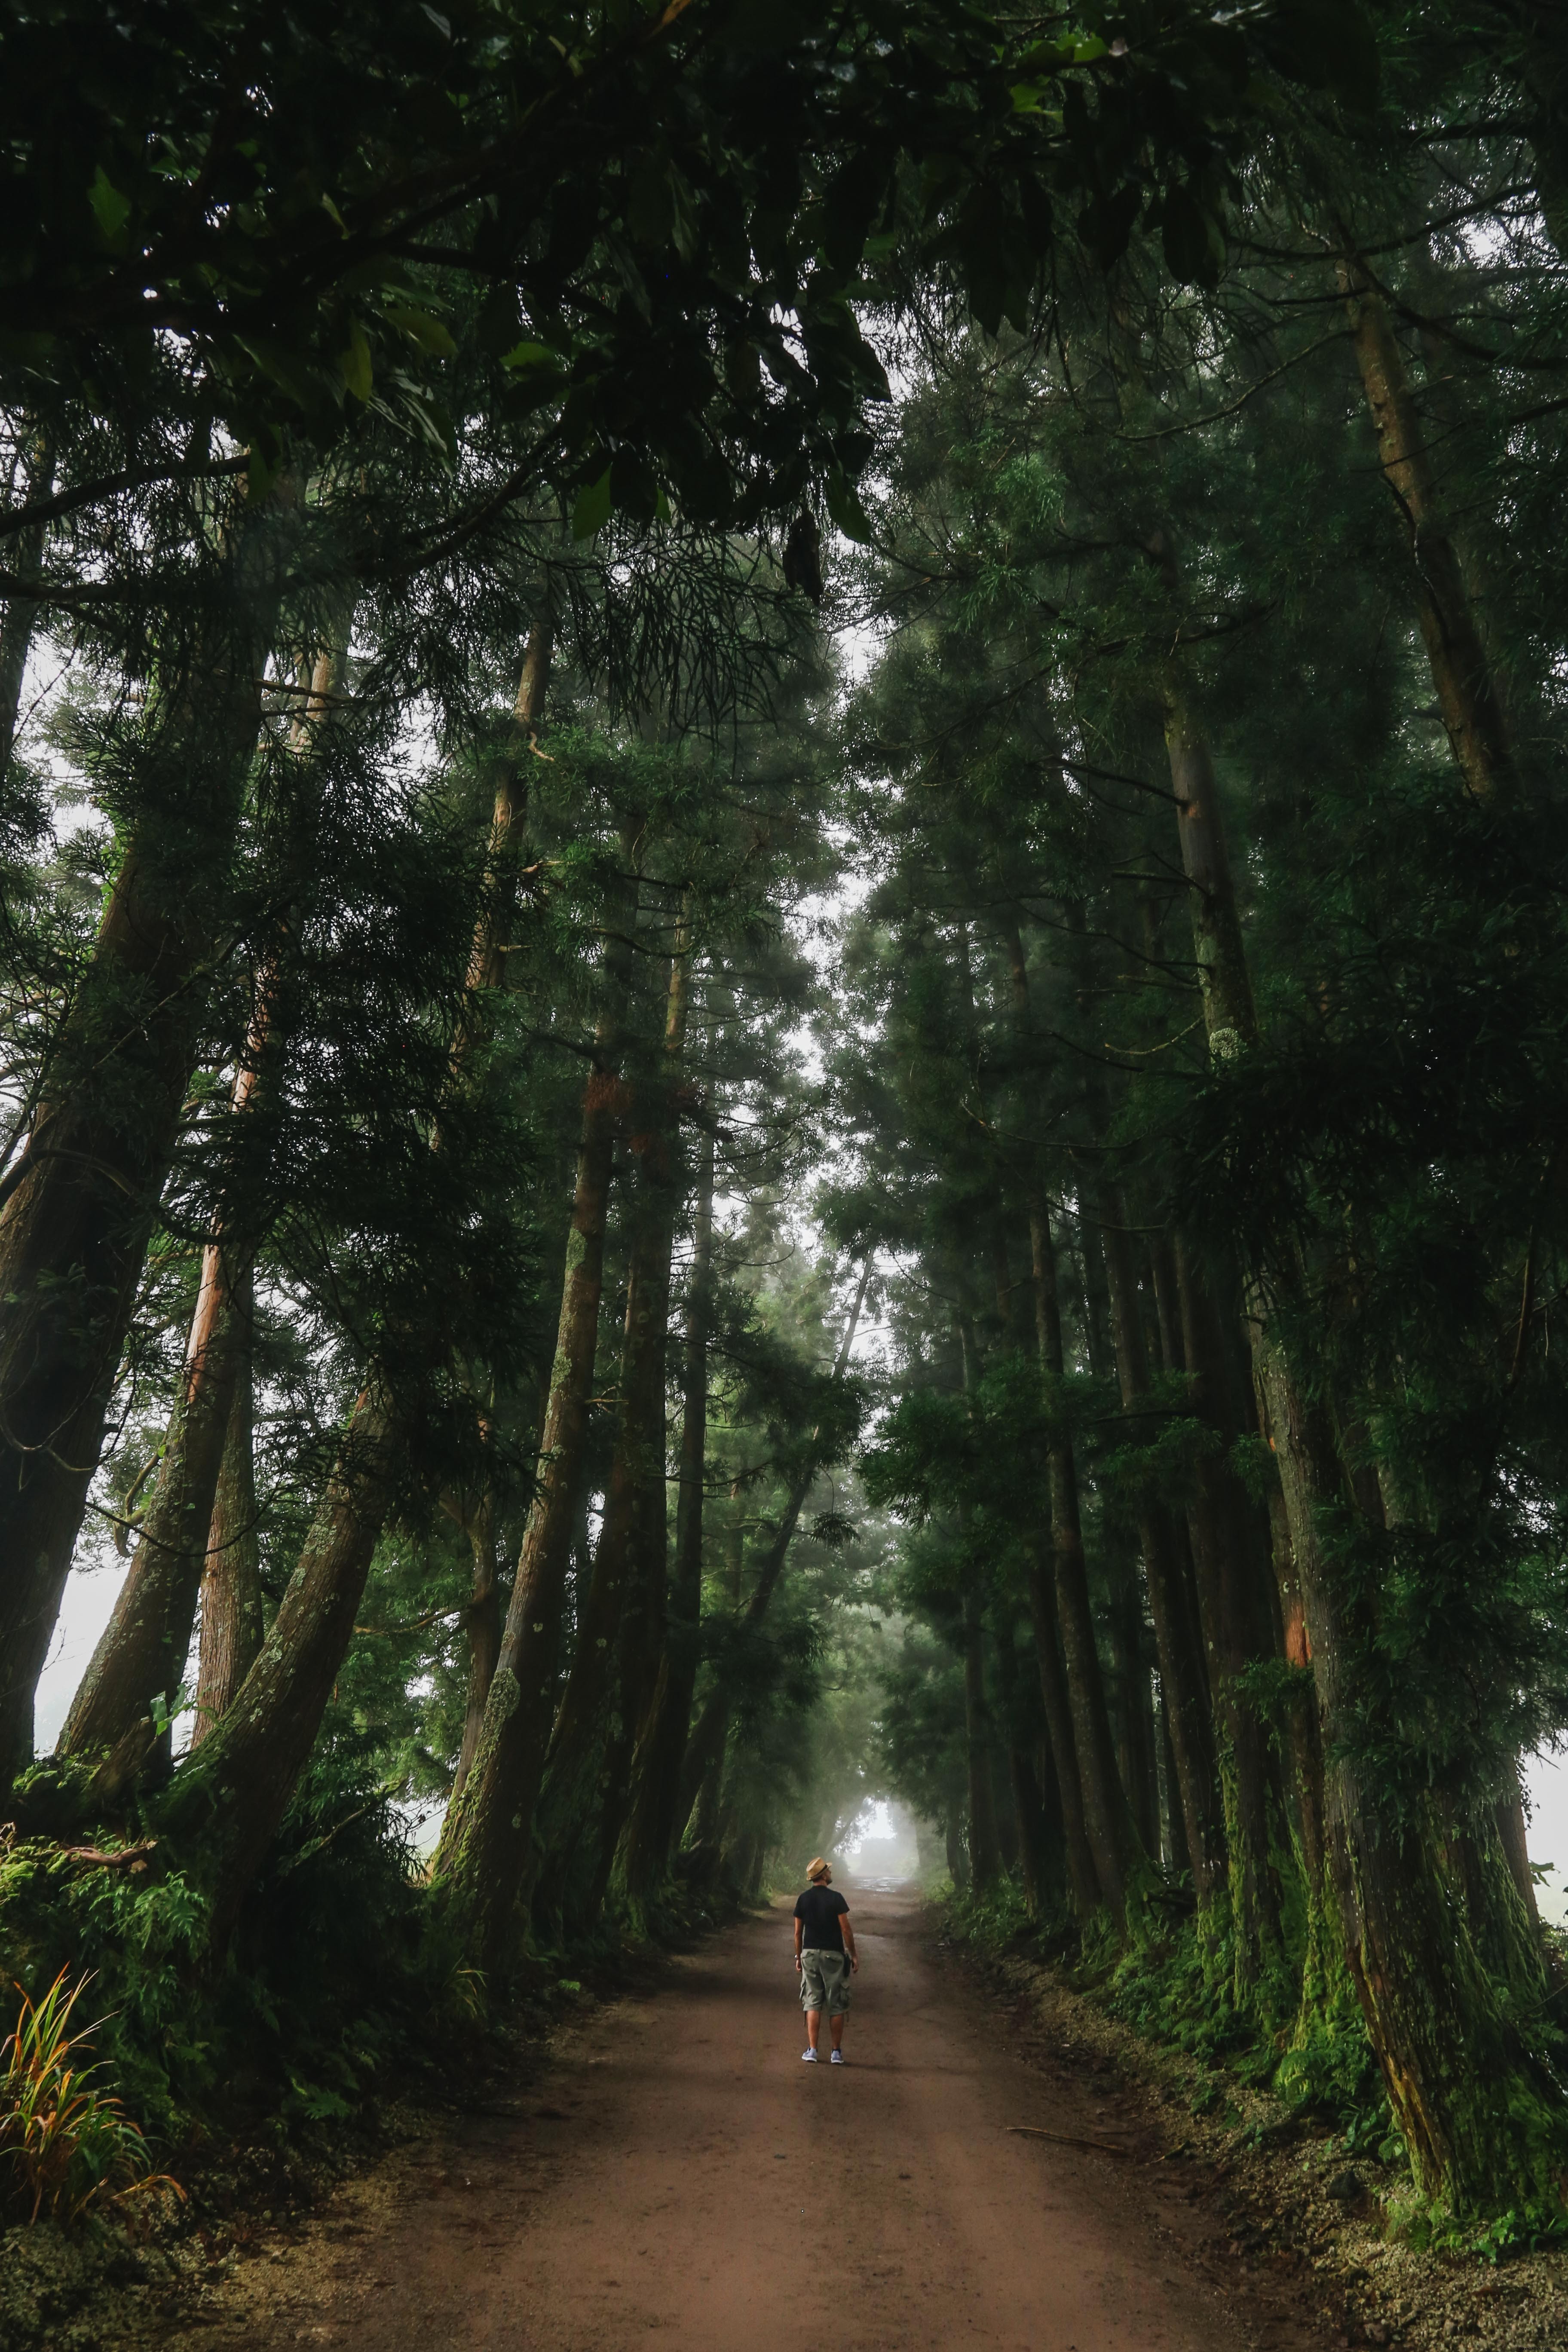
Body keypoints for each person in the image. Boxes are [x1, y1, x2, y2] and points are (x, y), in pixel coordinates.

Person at [793, 1856, 858, 2063]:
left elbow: (797, 1933)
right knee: (836, 2003)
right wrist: (853, 1954)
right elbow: (846, 1930)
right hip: (833, 1956)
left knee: (812, 2001)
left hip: (810, 1954)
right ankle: (836, 2053)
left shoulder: (803, 1899)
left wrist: (799, 1956)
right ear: (823, 1876)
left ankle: (812, 2051)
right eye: (828, 1871)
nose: (831, 1873)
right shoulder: (836, 1898)